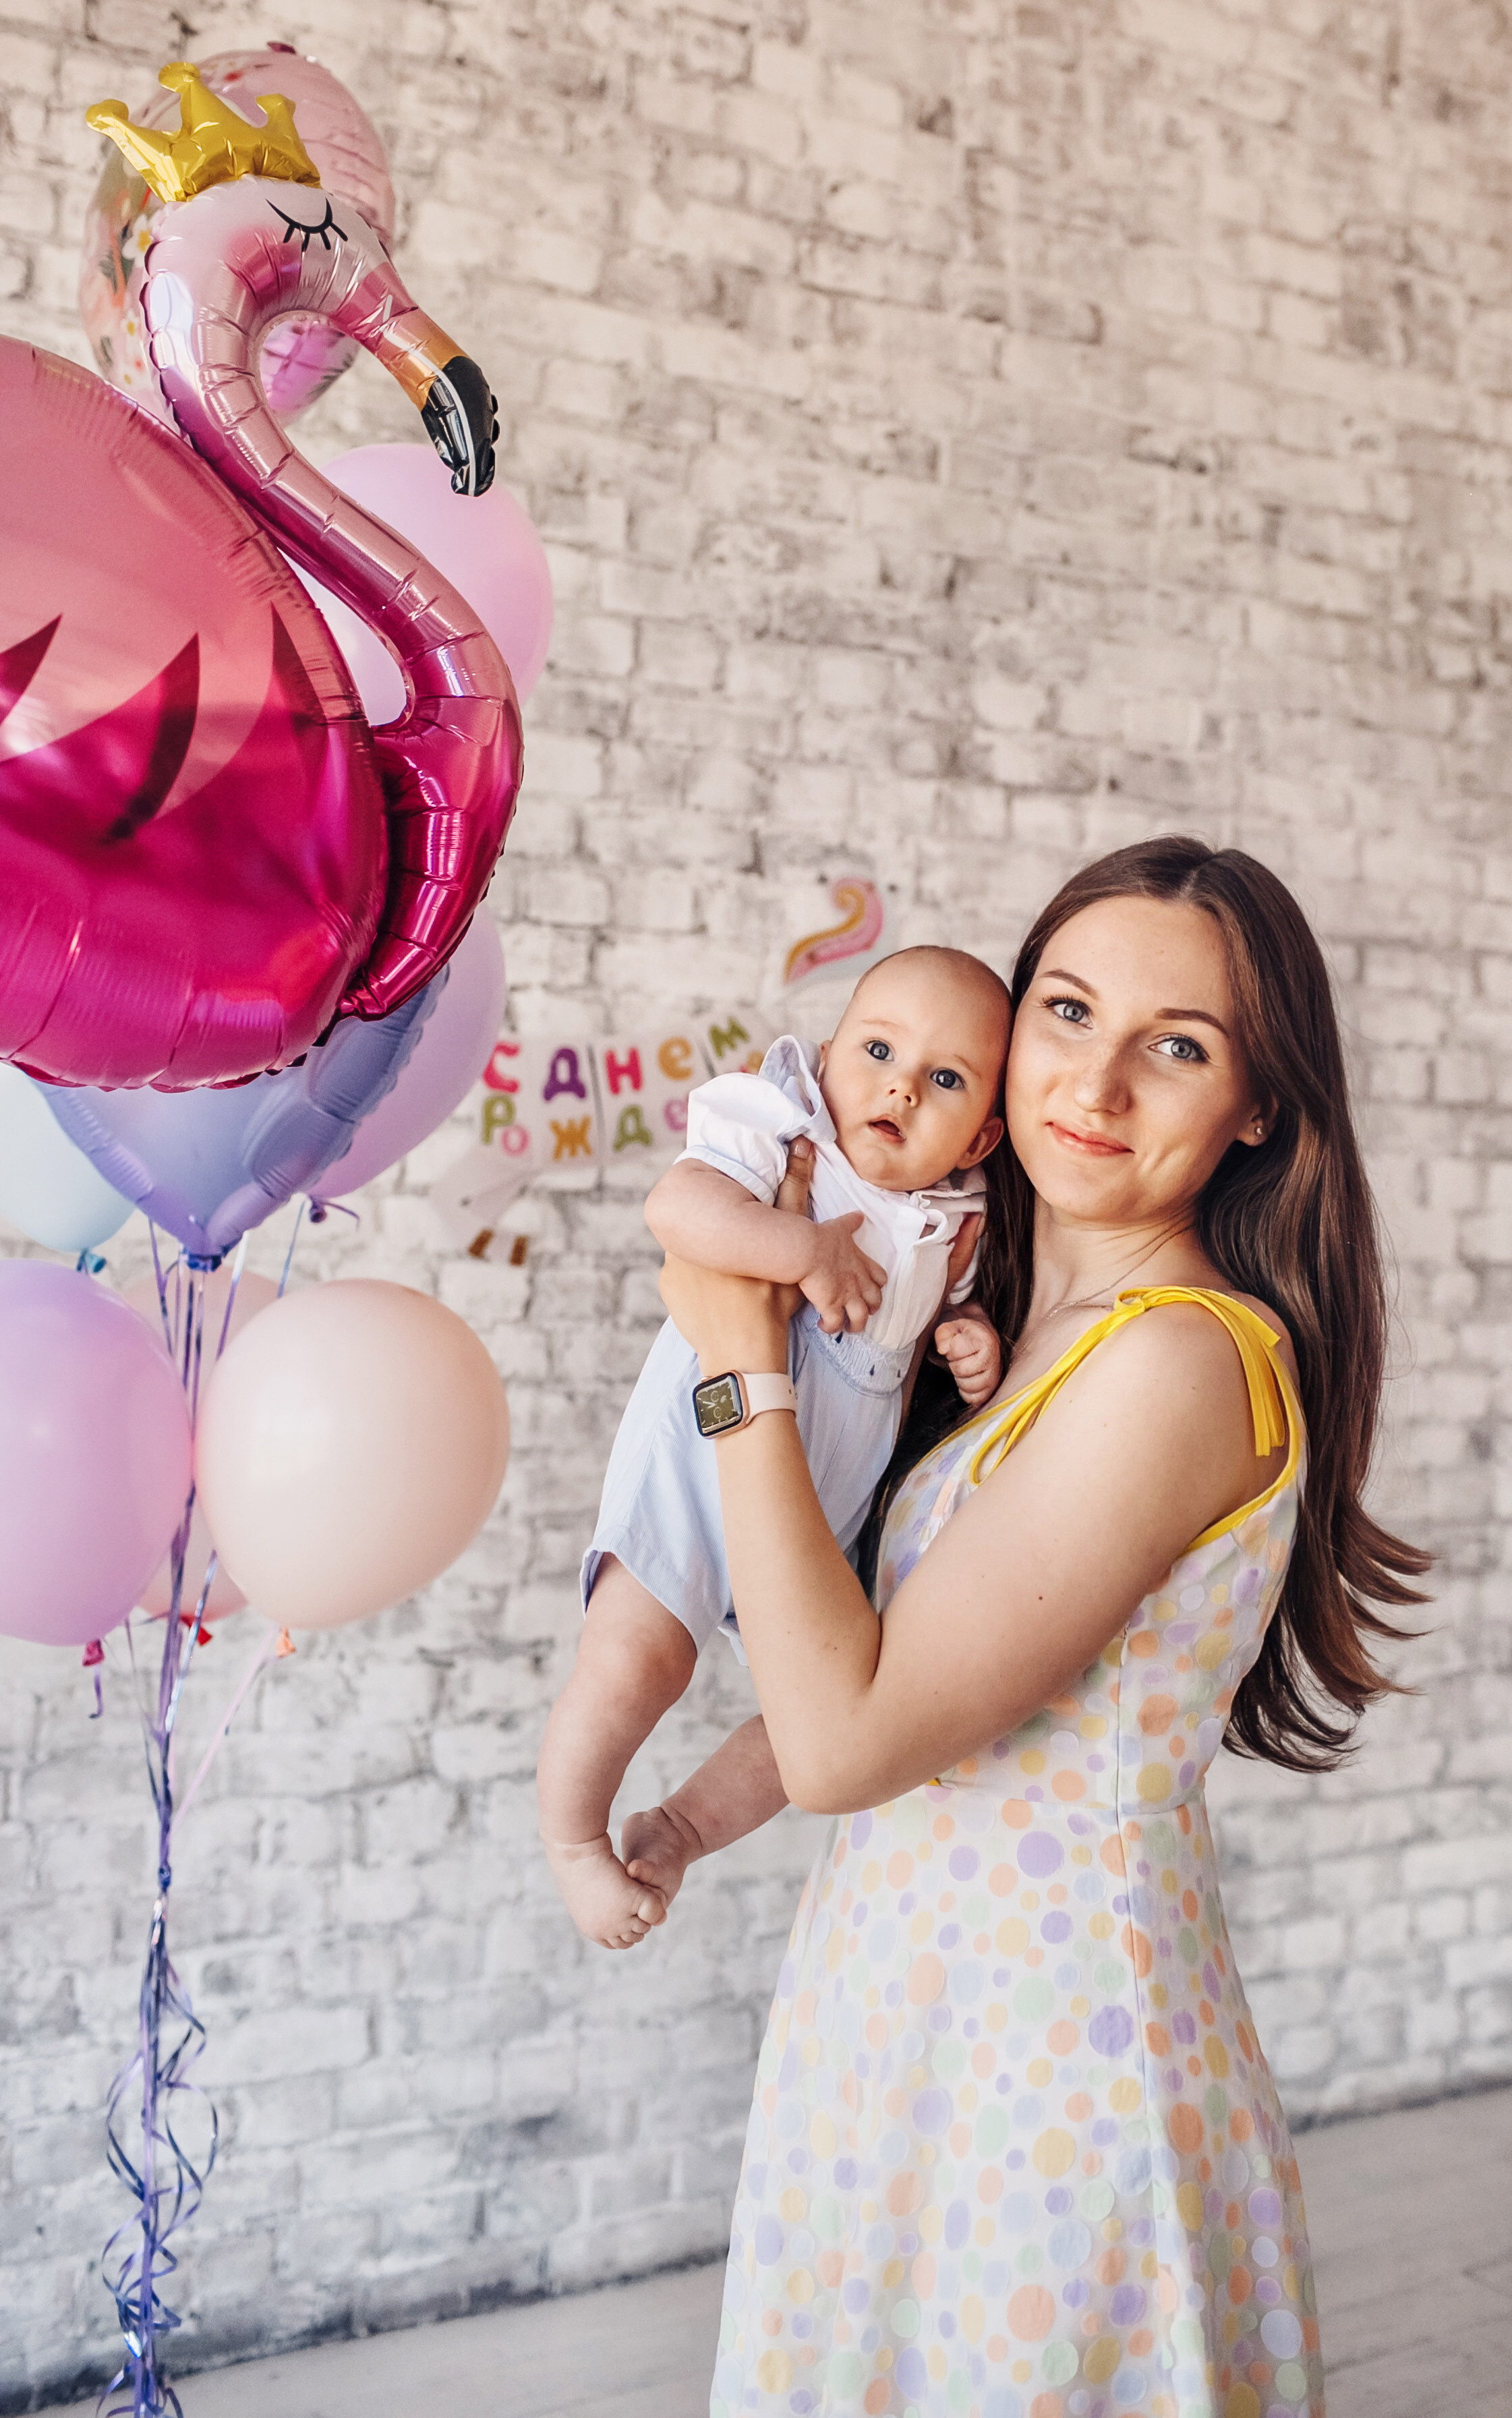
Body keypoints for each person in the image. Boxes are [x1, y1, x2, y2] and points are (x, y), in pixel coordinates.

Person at [655, 838, 1428, 2418]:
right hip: (901, 2026)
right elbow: (873, 1670)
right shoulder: (1010, 1338)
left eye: (1179, 1045)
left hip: (1051, 2082)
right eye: (1067, 1011)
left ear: (1257, 1105)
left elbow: (845, 1741)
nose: (1098, 1079)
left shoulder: (1177, 1361)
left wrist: (739, 1364)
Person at [539, 946, 1014, 1949]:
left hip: (822, 1504)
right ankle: (574, 1840)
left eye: (944, 1079)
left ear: (982, 1132)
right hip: (700, 1451)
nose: (900, 1087)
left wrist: (965, 1340)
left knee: (819, 1722)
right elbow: (677, 1210)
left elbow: (932, 1323)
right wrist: (804, 1247)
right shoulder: (784, 1124)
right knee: (636, 1661)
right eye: (878, 1050)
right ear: (828, 1055)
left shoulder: (959, 1217)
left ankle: (680, 1830)